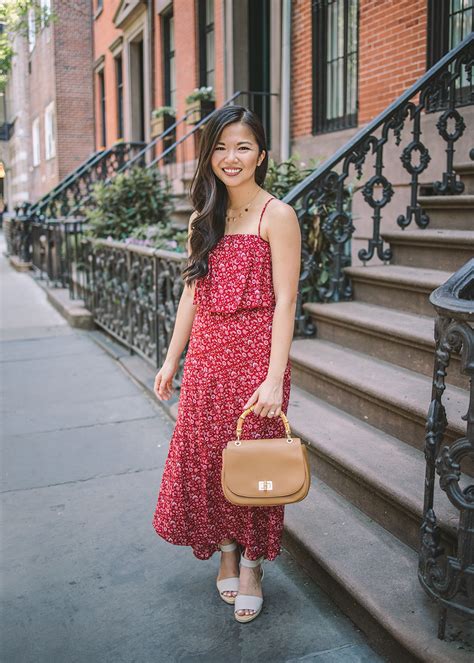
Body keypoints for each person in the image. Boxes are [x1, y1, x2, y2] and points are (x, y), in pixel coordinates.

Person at [152, 105, 301, 623]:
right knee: (210, 462)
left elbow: (286, 301)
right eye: (219, 147)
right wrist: (173, 359)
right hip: (208, 360)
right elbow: (191, 295)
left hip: (257, 359)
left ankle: (255, 565)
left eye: (242, 147)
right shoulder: (203, 218)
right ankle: (228, 553)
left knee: (256, 466)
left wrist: (274, 376)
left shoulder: (276, 215)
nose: (230, 158)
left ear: (261, 154)